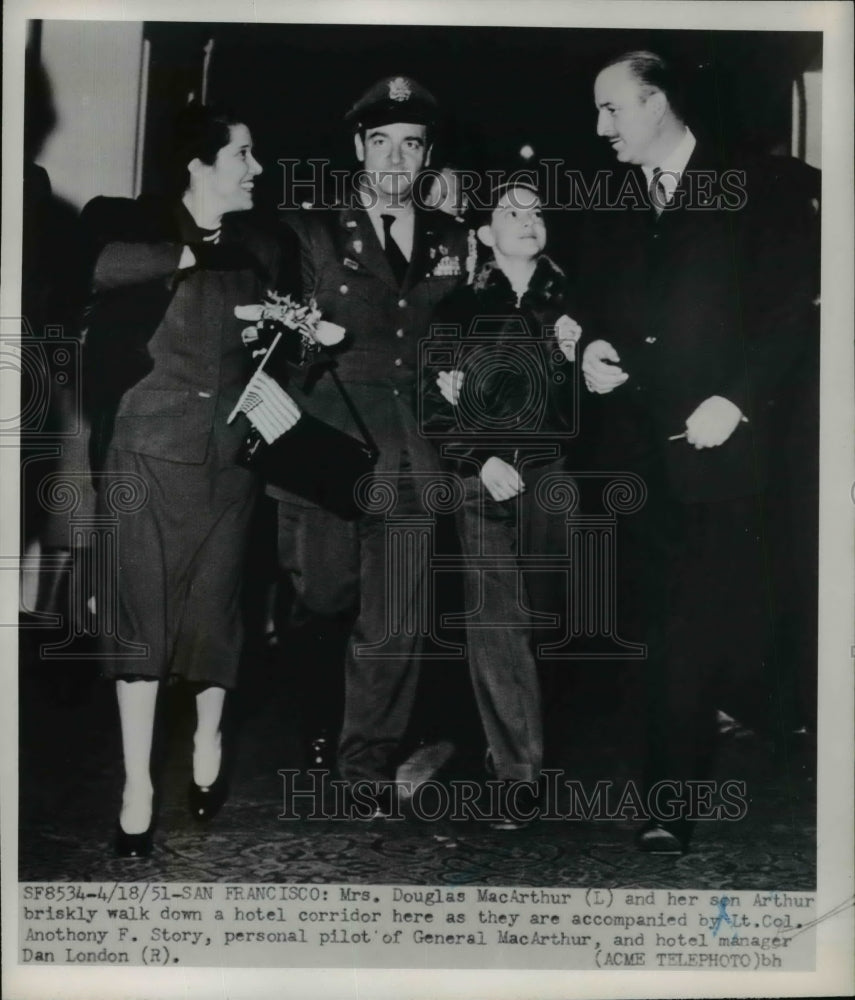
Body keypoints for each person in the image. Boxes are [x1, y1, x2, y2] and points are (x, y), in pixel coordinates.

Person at [576, 51, 814, 852]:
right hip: (633, 453)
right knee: (659, 624)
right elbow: (593, 302)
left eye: (611, 109)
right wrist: (593, 350)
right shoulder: (613, 198)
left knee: (703, 623)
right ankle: (672, 786)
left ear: (655, 103)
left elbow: (789, 312)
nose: (600, 128)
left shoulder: (754, 186)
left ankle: (678, 790)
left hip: (722, 453)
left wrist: (735, 400)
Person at [82, 104, 298, 857]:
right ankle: (137, 785)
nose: (257, 168)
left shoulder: (264, 245)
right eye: (242, 154)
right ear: (198, 164)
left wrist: (298, 335)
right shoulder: (131, 223)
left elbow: (279, 346)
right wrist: (187, 253)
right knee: (138, 620)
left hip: (230, 465)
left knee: (215, 617)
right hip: (144, 456)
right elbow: (89, 273)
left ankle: (208, 739)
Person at [270, 76, 471, 812]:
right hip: (327, 444)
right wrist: (299, 341)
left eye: (410, 145)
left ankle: (365, 765)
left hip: (414, 452)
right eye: (381, 142)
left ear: (426, 155)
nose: (395, 158)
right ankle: (317, 717)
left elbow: (460, 332)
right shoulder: (311, 230)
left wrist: (462, 375)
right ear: (359, 148)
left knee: (396, 620)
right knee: (322, 599)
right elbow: (273, 337)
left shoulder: (454, 240)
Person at [422, 182, 580, 828]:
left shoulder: (572, 305)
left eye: (536, 212)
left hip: (550, 478)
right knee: (497, 622)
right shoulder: (455, 308)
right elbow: (431, 400)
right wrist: (477, 459)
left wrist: (578, 359)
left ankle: (520, 740)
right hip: (478, 479)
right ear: (484, 234)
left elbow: (599, 404)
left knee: (546, 617)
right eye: (511, 212)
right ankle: (517, 774)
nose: (527, 220)